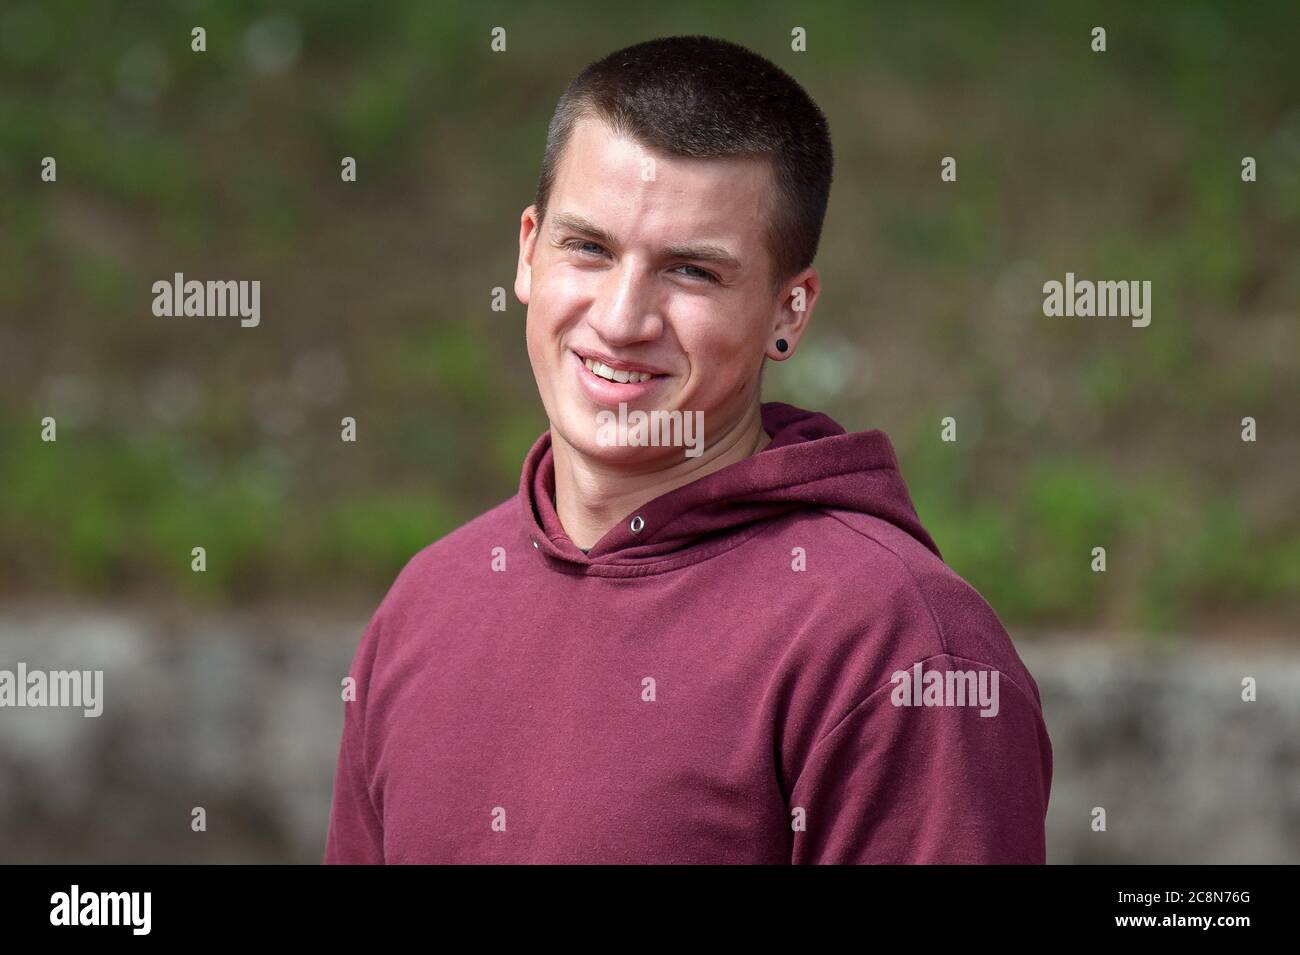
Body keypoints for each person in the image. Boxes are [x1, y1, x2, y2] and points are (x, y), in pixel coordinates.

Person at [324, 34, 1052, 864]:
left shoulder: (899, 646)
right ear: (528, 250)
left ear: (790, 310)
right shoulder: (426, 604)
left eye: (692, 272)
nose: (623, 319)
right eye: (588, 248)